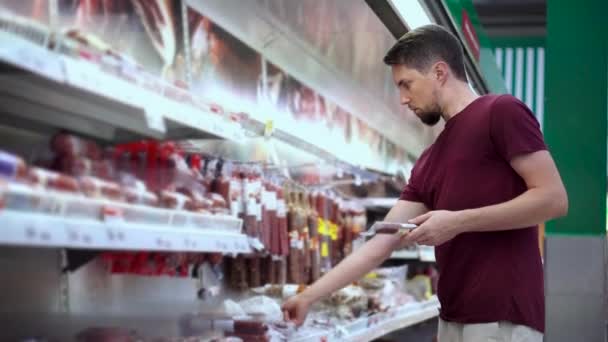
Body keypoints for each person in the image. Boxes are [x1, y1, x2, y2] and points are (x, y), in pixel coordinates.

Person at [281, 24, 568, 342]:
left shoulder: (500, 112)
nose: (403, 99)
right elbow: (381, 243)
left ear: (440, 73)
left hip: (501, 319)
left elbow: (553, 198)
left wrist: (457, 222)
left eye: (407, 84)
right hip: (451, 319)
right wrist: (309, 296)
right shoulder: (430, 159)